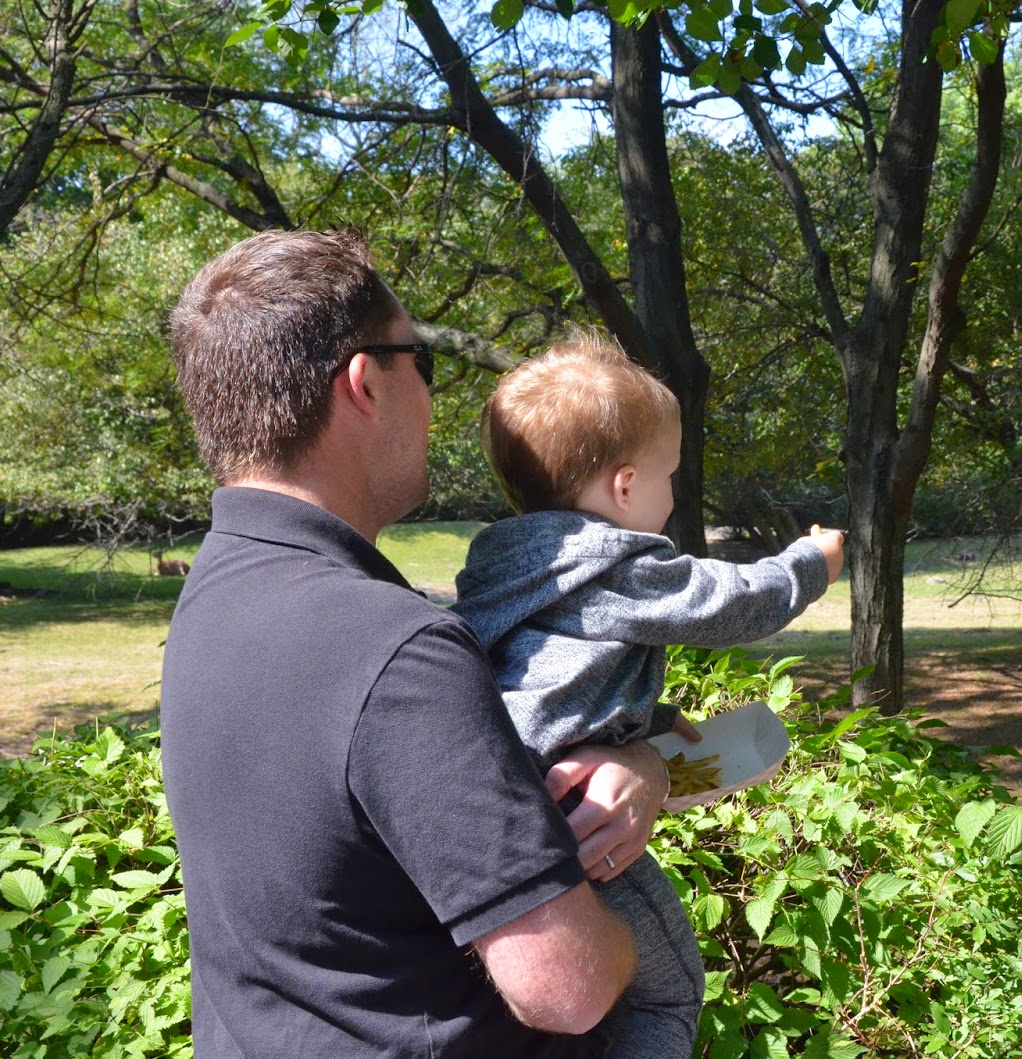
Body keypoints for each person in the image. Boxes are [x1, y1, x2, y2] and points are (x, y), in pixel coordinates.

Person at [159, 229, 666, 1057]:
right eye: (420, 362)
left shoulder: (218, 591)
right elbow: (563, 986)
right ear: (364, 382)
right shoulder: (397, 651)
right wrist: (646, 953)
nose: (432, 398)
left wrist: (638, 763)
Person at [452, 330, 846, 1056]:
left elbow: (545, 674)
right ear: (626, 486)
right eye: (670, 474)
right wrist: (810, 563)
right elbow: (731, 604)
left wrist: (647, 721)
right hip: (572, 816)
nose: (674, 493)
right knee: (670, 992)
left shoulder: (504, 565)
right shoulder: (613, 565)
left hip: (497, 802)